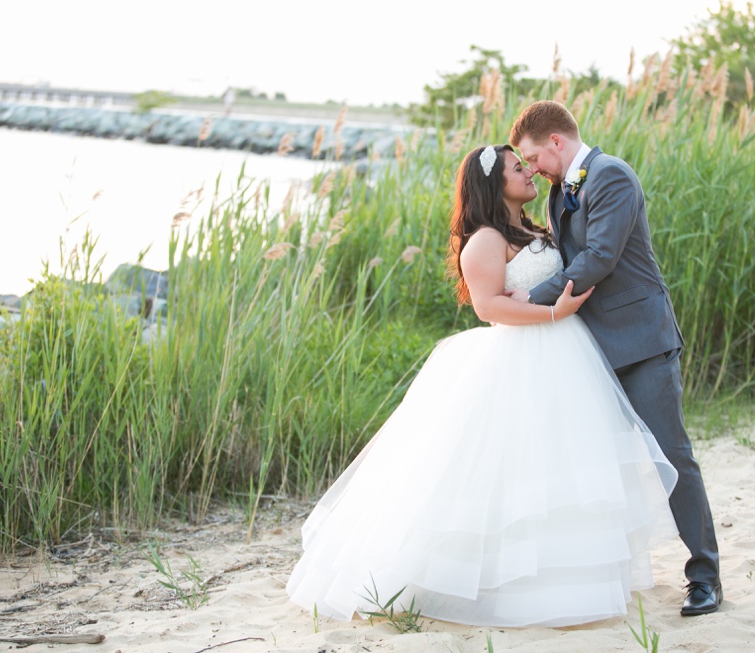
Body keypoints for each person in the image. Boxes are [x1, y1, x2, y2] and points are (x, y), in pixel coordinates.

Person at [285, 144, 679, 628]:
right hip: (524, 359)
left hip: (568, 358)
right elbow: (487, 308)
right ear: (495, 184)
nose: (530, 172)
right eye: (519, 169)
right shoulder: (486, 240)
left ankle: (568, 580)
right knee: (513, 471)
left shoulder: (538, 226)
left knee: (565, 466)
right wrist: (552, 312)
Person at [508, 100, 723, 616]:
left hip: (642, 341)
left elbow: (600, 257)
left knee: (671, 455)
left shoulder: (611, 177)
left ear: (556, 142)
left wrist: (532, 300)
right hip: (591, 352)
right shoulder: (562, 187)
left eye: (534, 156)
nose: (532, 167)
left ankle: (705, 577)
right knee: (597, 467)